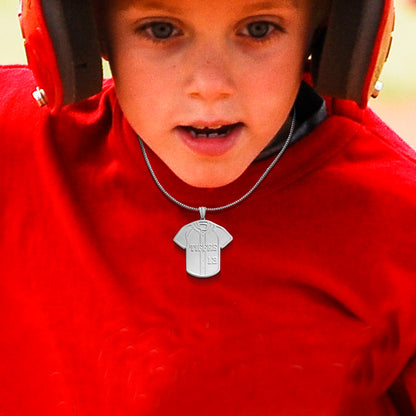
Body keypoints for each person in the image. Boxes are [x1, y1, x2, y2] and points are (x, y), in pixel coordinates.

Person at [1, 0, 416, 414]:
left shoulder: (398, 224)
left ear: (327, 33)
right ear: (83, 33)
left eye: (258, 30)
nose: (210, 84)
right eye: (161, 30)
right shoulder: (16, 144)